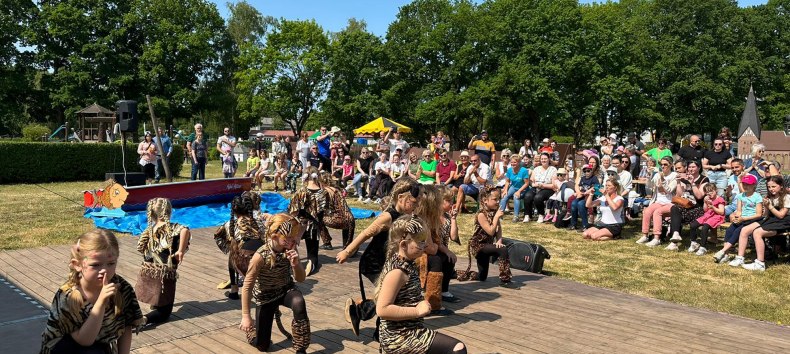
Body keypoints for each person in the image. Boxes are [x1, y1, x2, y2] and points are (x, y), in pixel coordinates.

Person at [337, 178, 420, 337]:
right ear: (400, 198)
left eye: (417, 203)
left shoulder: (408, 216)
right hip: (374, 262)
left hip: (390, 263)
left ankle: (360, 313)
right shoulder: (388, 217)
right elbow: (365, 233)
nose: (415, 206)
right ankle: (377, 330)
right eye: (413, 202)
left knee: (392, 294)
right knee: (388, 297)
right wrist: (347, 251)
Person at [40, 230, 143, 354]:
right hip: (64, 347)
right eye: (95, 265)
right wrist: (101, 302)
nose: (104, 270)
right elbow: (84, 341)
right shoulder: (68, 296)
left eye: (111, 263)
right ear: (77, 265)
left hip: (99, 345)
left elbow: (126, 327)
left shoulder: (121, 288)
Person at [375, 215, 467, 354]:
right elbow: (382, 310)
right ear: (404, 245)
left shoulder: (406, 263)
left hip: (409, 329)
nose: (425, 246)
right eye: (421, 242)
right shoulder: (397, 272)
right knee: (457, 348)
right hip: (400, 336)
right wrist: (417, 311)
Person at [239, 214, 310, 353]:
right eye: (288, 237)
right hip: (265, 296)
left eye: (294, 236)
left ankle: (301, 349)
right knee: (263, 346)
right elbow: (247, 286)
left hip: (285, 290)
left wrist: (296, 265)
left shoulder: (290, 249)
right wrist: (246, 316)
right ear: (274, 236)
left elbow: (301, 279)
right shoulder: (260, 256)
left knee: (299, 302)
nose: (292, 240)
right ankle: (254, 334)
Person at [135, 198, 191, 326]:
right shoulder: (172, 228)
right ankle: (143, 319)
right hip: (163, 275)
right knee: (164, 313)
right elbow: (185, 229)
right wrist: (180, 251)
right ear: (169, 212)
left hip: (147, 272)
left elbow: (140, 248)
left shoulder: (150, 230)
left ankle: (155, 302)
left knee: (157, 290)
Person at [456, 187, 514, 287]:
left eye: (498, 199)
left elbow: (498, 229)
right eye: (495, 199)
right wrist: (496, 217)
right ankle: (505, 280)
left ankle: (455, 273)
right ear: (485, 201)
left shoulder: (494, 211)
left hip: (487, 245)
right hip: (479, 246)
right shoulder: (481, 214)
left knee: (482, 277)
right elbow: (491, 231)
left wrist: (499, 241)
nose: (498, 201)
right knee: (503, 250)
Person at [730, 176, 788, 271]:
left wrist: (770, 206)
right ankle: (740, 258)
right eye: (769, 187)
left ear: (781, 186)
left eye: (774, 186)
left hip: (782, 222)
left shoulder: (786, 197)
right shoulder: (769, 197)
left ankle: (760, 263)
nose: (771, 189)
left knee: (757, 232)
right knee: (744, 230)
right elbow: (765, 215)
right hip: (771, 219)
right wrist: (765, 207)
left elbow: (781, 215)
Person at [214, 192, 263, 300]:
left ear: (234, 211)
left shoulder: (230, 224)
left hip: (242, 263)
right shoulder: (259, 222)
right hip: (262, 258)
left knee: (233, 250)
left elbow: (217, 236)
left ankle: (234, 288)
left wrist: (229, 245)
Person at [713, 174, 763, 263]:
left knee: (737, 231)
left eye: (748, 184)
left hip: (752, 219)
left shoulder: (757, 196)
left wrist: (743, 219)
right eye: (744, 184)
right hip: (742, 219)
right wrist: (736, 217)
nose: (746, 186)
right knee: (729, 230)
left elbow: (759, 214)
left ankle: (722, 251)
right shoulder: (740, 196)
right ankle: (726, 255)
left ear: (754, 185)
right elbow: (739, 211)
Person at [289, 167, 329, 274]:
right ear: (317, 176)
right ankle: (311, 264)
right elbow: (325, 211)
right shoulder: (324, 193)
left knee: (290, 245)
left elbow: (293, 212)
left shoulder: (300, 192)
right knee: (312, 255)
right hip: (314, 227)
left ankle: (290, 265)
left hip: (299, 224)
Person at [665, 160, 709, 251]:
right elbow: (679, 195)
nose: (691, 169)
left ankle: (674, 243)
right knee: (674, 208)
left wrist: (692, 183)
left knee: (676, 213)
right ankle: (676, 234)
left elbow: (699, 196)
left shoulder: (704, 179)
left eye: (693, 167)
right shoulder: (684, 178)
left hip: (698, 208)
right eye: (689, 167)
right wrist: (678, 182)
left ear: (699, 168)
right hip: (686, 206)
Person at [637, 156, 677, 247]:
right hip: (658, 201)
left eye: (665, 164)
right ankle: (645, 235)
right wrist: (650, 175)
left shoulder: (674, 176)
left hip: (670, 202)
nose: (663, 166)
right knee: (647, 211)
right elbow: (650, 186)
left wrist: (662, 180)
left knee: (657, 212)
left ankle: (656, 238)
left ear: (671, 165)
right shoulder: (657, 174)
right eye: (661, 164)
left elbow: (669, 190)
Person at [319, 172, 357, 251]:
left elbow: (322, 207)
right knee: (347, 249)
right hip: (351, 219)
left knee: (317, 219)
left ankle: (327, 242)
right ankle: (348, 246)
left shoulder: (325, 191)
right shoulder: (337, 189)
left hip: (339, 220)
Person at [687, 184, 726, 256]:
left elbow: (721, 212)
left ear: (716, 190)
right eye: (707, 192)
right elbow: (705, 210)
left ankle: (703, 247)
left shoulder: (720, 199)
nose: (709, 193)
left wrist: (713, 207)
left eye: (711, 191)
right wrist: (705, 202)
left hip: (717, 216)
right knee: (693, 225)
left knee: (705, 227)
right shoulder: (708, 199)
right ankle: (693, 243)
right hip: (708, 215)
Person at [523, 153, 557, 223]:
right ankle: (527, 215)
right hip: (536, 187)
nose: (543, 160)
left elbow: (553, 185)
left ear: (549, 159)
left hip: (548, 188)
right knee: (527, 196)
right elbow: (531, 181)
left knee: (538, 197)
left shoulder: (553, 169)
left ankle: (541, 214)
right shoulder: (536, 169)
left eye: (545, 159)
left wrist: (543, 185)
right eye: (542, 159)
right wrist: (536, 185)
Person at [568, 164, 599, 231]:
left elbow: (595, 188)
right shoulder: (582, 178)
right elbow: (579, 186)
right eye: (584, 171)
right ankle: (573, 224)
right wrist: (579, 192)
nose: (586, 173)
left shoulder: (594, 178)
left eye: (588, 171)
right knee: (573, 203)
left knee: (581, 204)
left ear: (592, 171)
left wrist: (585, 192)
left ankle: (585, 225)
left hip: (590, 197)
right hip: (582, 196)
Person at [500, 154, 530, 222]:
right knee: (504, 196)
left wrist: (519, 191)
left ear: (519, 162)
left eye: (515, 162)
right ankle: (500, 215)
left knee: (516, 196)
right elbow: (507, 181)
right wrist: (505, 190)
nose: (513, 164)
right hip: (513, 187)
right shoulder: (509, 170)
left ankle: (516, 216)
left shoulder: (524, 170)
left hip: (523, 188)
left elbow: (526, 183)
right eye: (512, 162)